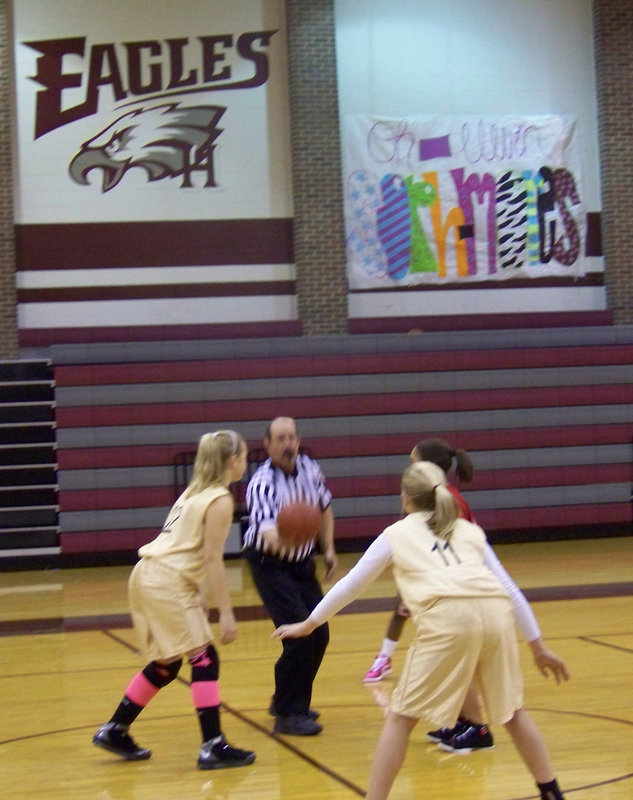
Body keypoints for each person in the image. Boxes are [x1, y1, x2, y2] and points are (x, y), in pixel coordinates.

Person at [273, 460, 568, 800]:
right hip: (496, 613)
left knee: (400, 719)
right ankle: (551, 792)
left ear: (405, 498)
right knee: (513, 713)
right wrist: (538, 647)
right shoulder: (468, 529)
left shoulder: (397, 533)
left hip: (450, 619)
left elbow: (352, 584)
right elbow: (511, 589)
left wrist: (309, 623)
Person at [364, 437, 569, 754]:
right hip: (457, 595)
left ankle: (477, 726)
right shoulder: (444, 501)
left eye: (412, 463)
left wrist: (537, 643)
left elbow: (461, 557)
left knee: (461, 660)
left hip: (468, 598)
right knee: (460, 658)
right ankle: (465, 721)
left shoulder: (449, 505)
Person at [93, 429, 256, 770]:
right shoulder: (220, 500)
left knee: (167, 664)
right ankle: (212, 746)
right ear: (232, 461)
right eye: (244, 453)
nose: (247, 458)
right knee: (205, 659)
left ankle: (115, 730)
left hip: (149, 573)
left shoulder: (193, 493)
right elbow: (212, 559)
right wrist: (226, 612)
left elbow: (186, 550)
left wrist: (197, 595)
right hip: (166, 580)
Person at [243, 416, 337, 736]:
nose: (287, 444)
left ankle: (286, 699)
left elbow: (324, 508)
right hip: (270, 563)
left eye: (292, 438)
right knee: (298, 635)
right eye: (280, 439)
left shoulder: (310, 468)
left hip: (302, 562)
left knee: (319, 632)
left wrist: (328, 549)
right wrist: (297, 533)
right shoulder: (261, 484)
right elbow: (269, 536)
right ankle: (289, 714)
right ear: (267, 445)